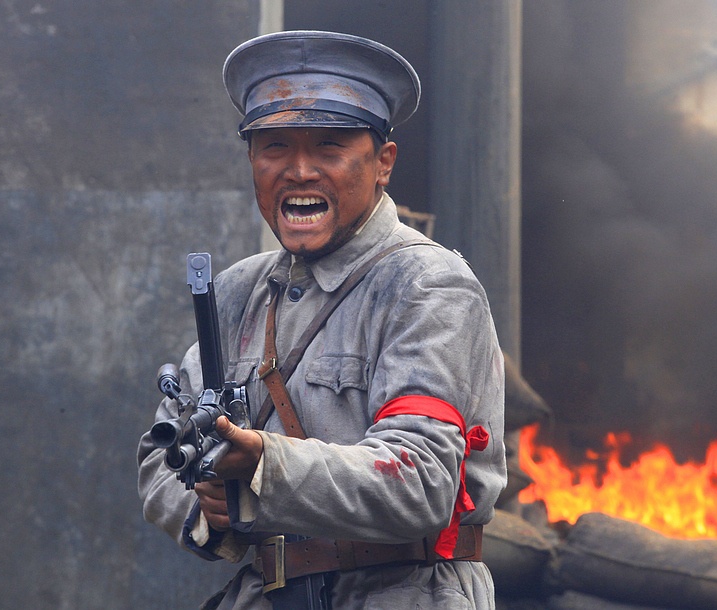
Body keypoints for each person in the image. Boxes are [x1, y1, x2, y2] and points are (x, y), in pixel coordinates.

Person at [138, 30, 507, 610]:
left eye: (329, 147)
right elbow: (162, 454)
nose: (300, 171)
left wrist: (265, 468)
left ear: (383, 163)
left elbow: (422, 479)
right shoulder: (236, 291)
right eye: (275, 147)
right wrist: (213, 510)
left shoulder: (429, 285)